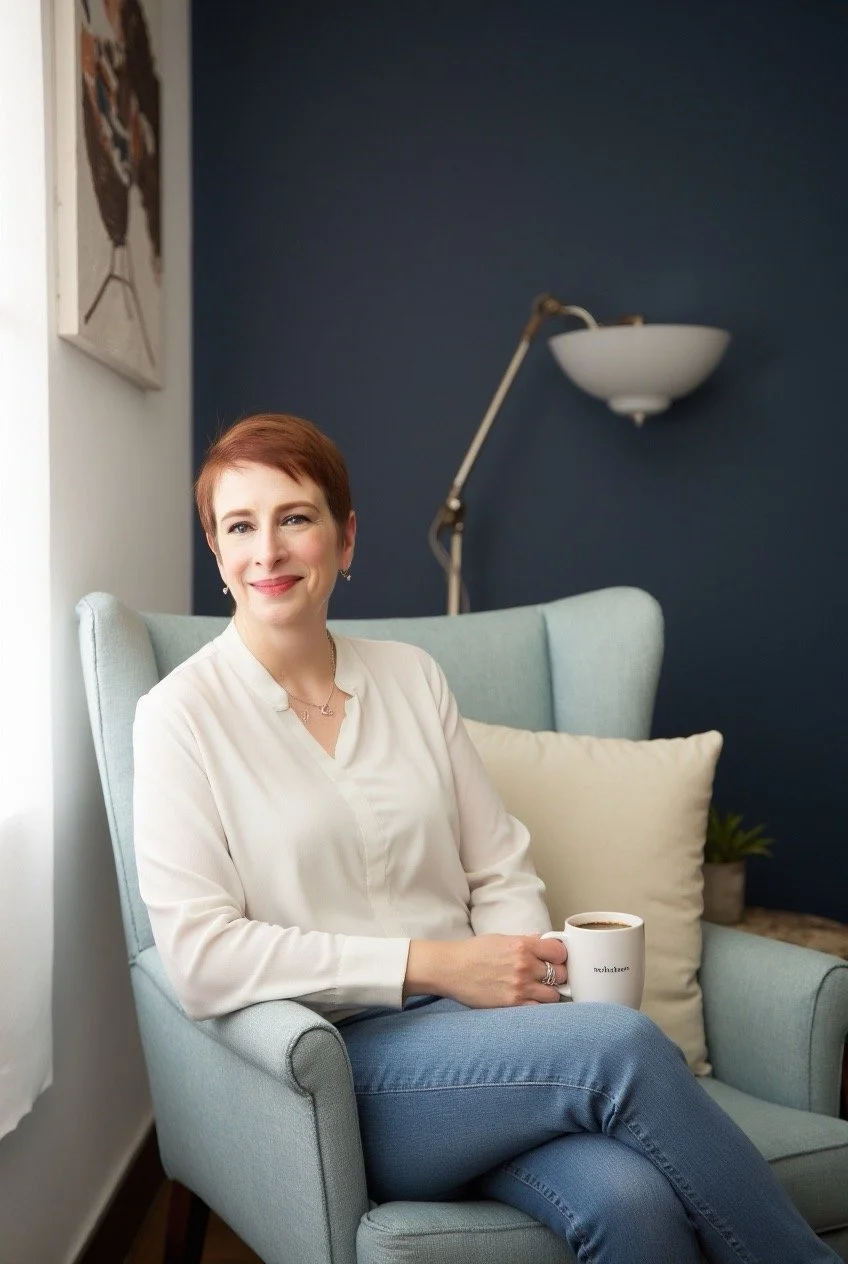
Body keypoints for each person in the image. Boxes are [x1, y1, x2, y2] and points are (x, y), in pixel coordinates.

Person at [133, 412, 838, 1264]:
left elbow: (499, 864)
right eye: (241, 526)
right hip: (343, 1071)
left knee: (634, 1205)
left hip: (487, 1041)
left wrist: (511, 985)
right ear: (216, 550)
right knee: (619, 1043)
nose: (268, 551)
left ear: (345, 538)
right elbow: (201, 957)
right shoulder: (179, 717)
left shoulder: (411, 678)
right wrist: (436, 965)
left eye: (296, 518)